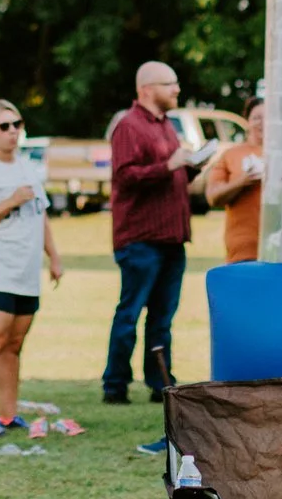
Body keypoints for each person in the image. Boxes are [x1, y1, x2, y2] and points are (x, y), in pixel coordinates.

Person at [103, 60, 213, 424]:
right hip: (140, 237)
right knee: (130, 312)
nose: (177, 90)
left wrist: (191, 164)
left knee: (163, 317)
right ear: (147, 88)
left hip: (172, 236)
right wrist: (167, 166)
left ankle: (159, 381)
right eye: (171, 84)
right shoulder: (128, 125)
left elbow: (168, 171)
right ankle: (115, 384)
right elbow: (123, 176)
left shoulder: (166, 125)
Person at [0, 98, 62, 436]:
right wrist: (10, 201)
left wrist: (54, 257)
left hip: (25, 272)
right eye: (4, 126)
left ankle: (8, 414)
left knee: (14, 346)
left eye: (17, 124)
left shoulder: (27, 167)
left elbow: (41, 213)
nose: (13, 131)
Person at [200, 99, 267, 264]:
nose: (262, 123)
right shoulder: (231, 155)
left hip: (279, 248)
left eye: (268, 117)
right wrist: (241, 182)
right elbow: (213, 197)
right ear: (247, 121)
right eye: (257, 117)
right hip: (243, 248)